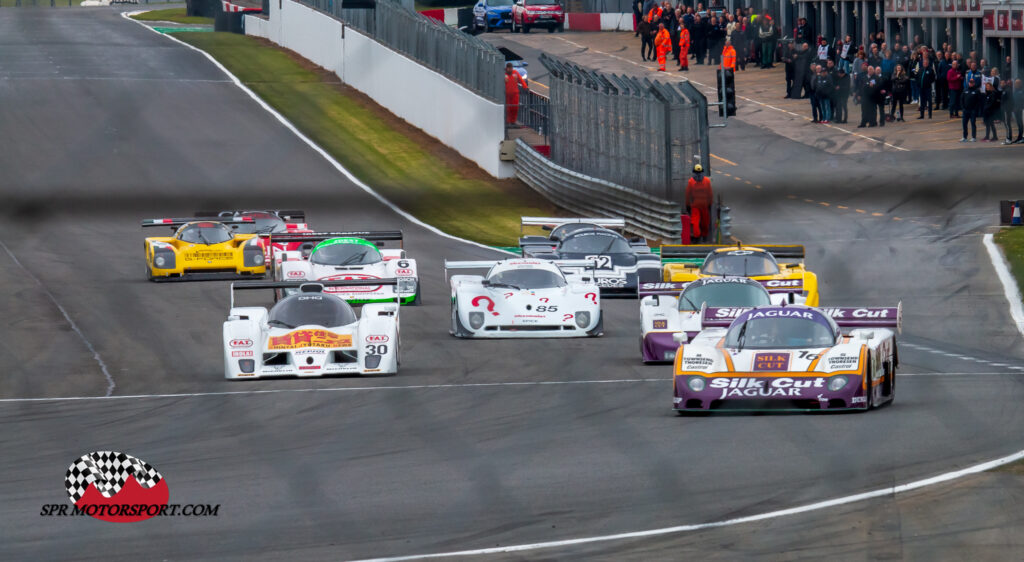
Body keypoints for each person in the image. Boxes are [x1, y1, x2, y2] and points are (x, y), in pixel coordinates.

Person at [686, 165, 713, 242]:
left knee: (695, 222)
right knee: (705, 222)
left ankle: (697, 237)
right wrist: (710, 204)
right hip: (704, 205)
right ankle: (704, 237)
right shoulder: (707, 181)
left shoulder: (691, 181)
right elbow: (710, 194)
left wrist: (687, 205)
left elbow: (688, 194)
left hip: (696, 205)